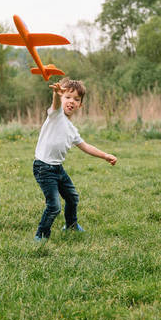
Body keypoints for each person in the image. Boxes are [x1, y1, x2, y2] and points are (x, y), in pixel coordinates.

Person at [32, 78, 117, 241]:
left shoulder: (71, 129)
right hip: (43, 168)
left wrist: (105, 155)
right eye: (67, 97)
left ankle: (71, 225)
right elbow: (56, 104)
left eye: (76, 99)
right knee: (54, 206)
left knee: (72, 197)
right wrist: (56, 95)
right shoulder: (55, 115)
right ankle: (41, 235)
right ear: (61, 99)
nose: (71, 101)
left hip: (57, 168)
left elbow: (85, 146)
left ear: (80, 105)